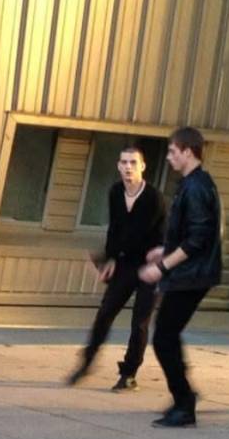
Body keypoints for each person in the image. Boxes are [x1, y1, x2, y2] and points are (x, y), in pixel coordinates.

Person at [139, 127, 222, 428]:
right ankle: (184, 396)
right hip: (190, 273)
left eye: (173, 151)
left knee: (164, 337)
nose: (169, 157)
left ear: (188, 151)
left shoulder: (196, 187)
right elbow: (191, 234)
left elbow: (198, 239)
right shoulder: (192, 183)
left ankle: (185, 404)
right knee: (168, 335)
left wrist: (162, 267)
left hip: (192, 276)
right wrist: (164, 250)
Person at [68, 146, 165, 390]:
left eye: (133, 163)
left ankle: (129, 374)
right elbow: (115, 228)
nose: (128, 167)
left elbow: (145, 234)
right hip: (125, 263)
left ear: (142, 167)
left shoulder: (154, 197)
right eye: (124, 162)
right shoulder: (115, 192)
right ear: (118, 166)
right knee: (105, 313)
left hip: (151, 265)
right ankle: (86, 362)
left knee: (139, 322)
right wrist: (109, 259)